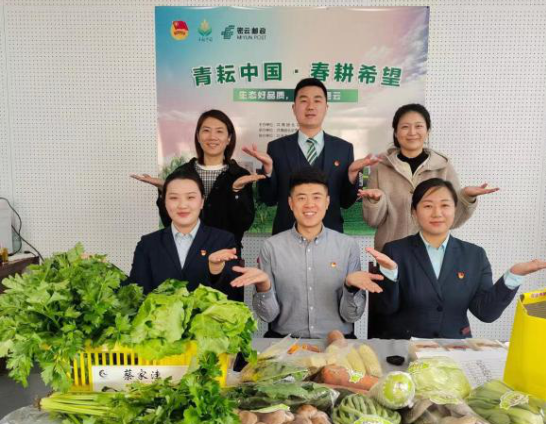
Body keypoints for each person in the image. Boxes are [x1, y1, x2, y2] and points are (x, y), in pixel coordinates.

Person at [366, 178, 546, 339]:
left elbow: (485, 312)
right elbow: (385, 309)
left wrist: (514, 275)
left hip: (455, 350)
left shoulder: (474, 255)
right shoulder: (395, 251)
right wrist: (390, 274)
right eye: (428, 206)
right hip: (405, 350)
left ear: (455, 209)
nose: (437, 213)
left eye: (445, 205)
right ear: (414, 212)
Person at [229, 168, 384, 338]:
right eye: (301, 198)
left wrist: (351, 288)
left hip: (337, 343)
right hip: (285, 344)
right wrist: (263, 286)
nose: (309, 204)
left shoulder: (348, 246)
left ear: (327, 202)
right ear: (291, 203)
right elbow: (268, 316)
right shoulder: (271, 247)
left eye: (316, 197)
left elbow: (351, 316)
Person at [243, 78, 380, 235]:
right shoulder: (276, 148)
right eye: (304, 101)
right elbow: (269, 199)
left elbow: (346, 202)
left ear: (326, 108)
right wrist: (268, 171)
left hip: (331, 236)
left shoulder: (343, 149)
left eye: (317, 100)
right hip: (286, 236)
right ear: (294, 108)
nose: (310, 106)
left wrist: (352, 175)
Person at [361, 103, 499, 252]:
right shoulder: (380, 167)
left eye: (418, 126)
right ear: (395, 132)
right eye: (405, 127)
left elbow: (452, 221)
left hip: (434, 253)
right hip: (390, 254)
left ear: (427, 131)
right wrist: (376, 201)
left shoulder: (443, 166)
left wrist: (466, 197)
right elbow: (373, 221)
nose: (412, 132)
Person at [131, 109, 261, 251]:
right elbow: (169, 222)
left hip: (226, 254)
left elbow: (244, 223)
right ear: (198, 137)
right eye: (206, 130)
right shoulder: (181, 173)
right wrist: (165, 190)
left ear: (229, 138)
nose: (212, 137)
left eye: (219, 131)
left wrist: (236, 191)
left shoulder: (239, 175)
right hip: (186, 253)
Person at [127, 167, 243, 301]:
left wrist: (215, 271)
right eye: (174, 198)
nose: (182, 205)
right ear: (165, 202)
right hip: (161, 315)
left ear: (202, 202)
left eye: (190, 197)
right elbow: (137, 296)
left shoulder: (224, 240)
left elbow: (235, 296)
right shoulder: (148, 244)